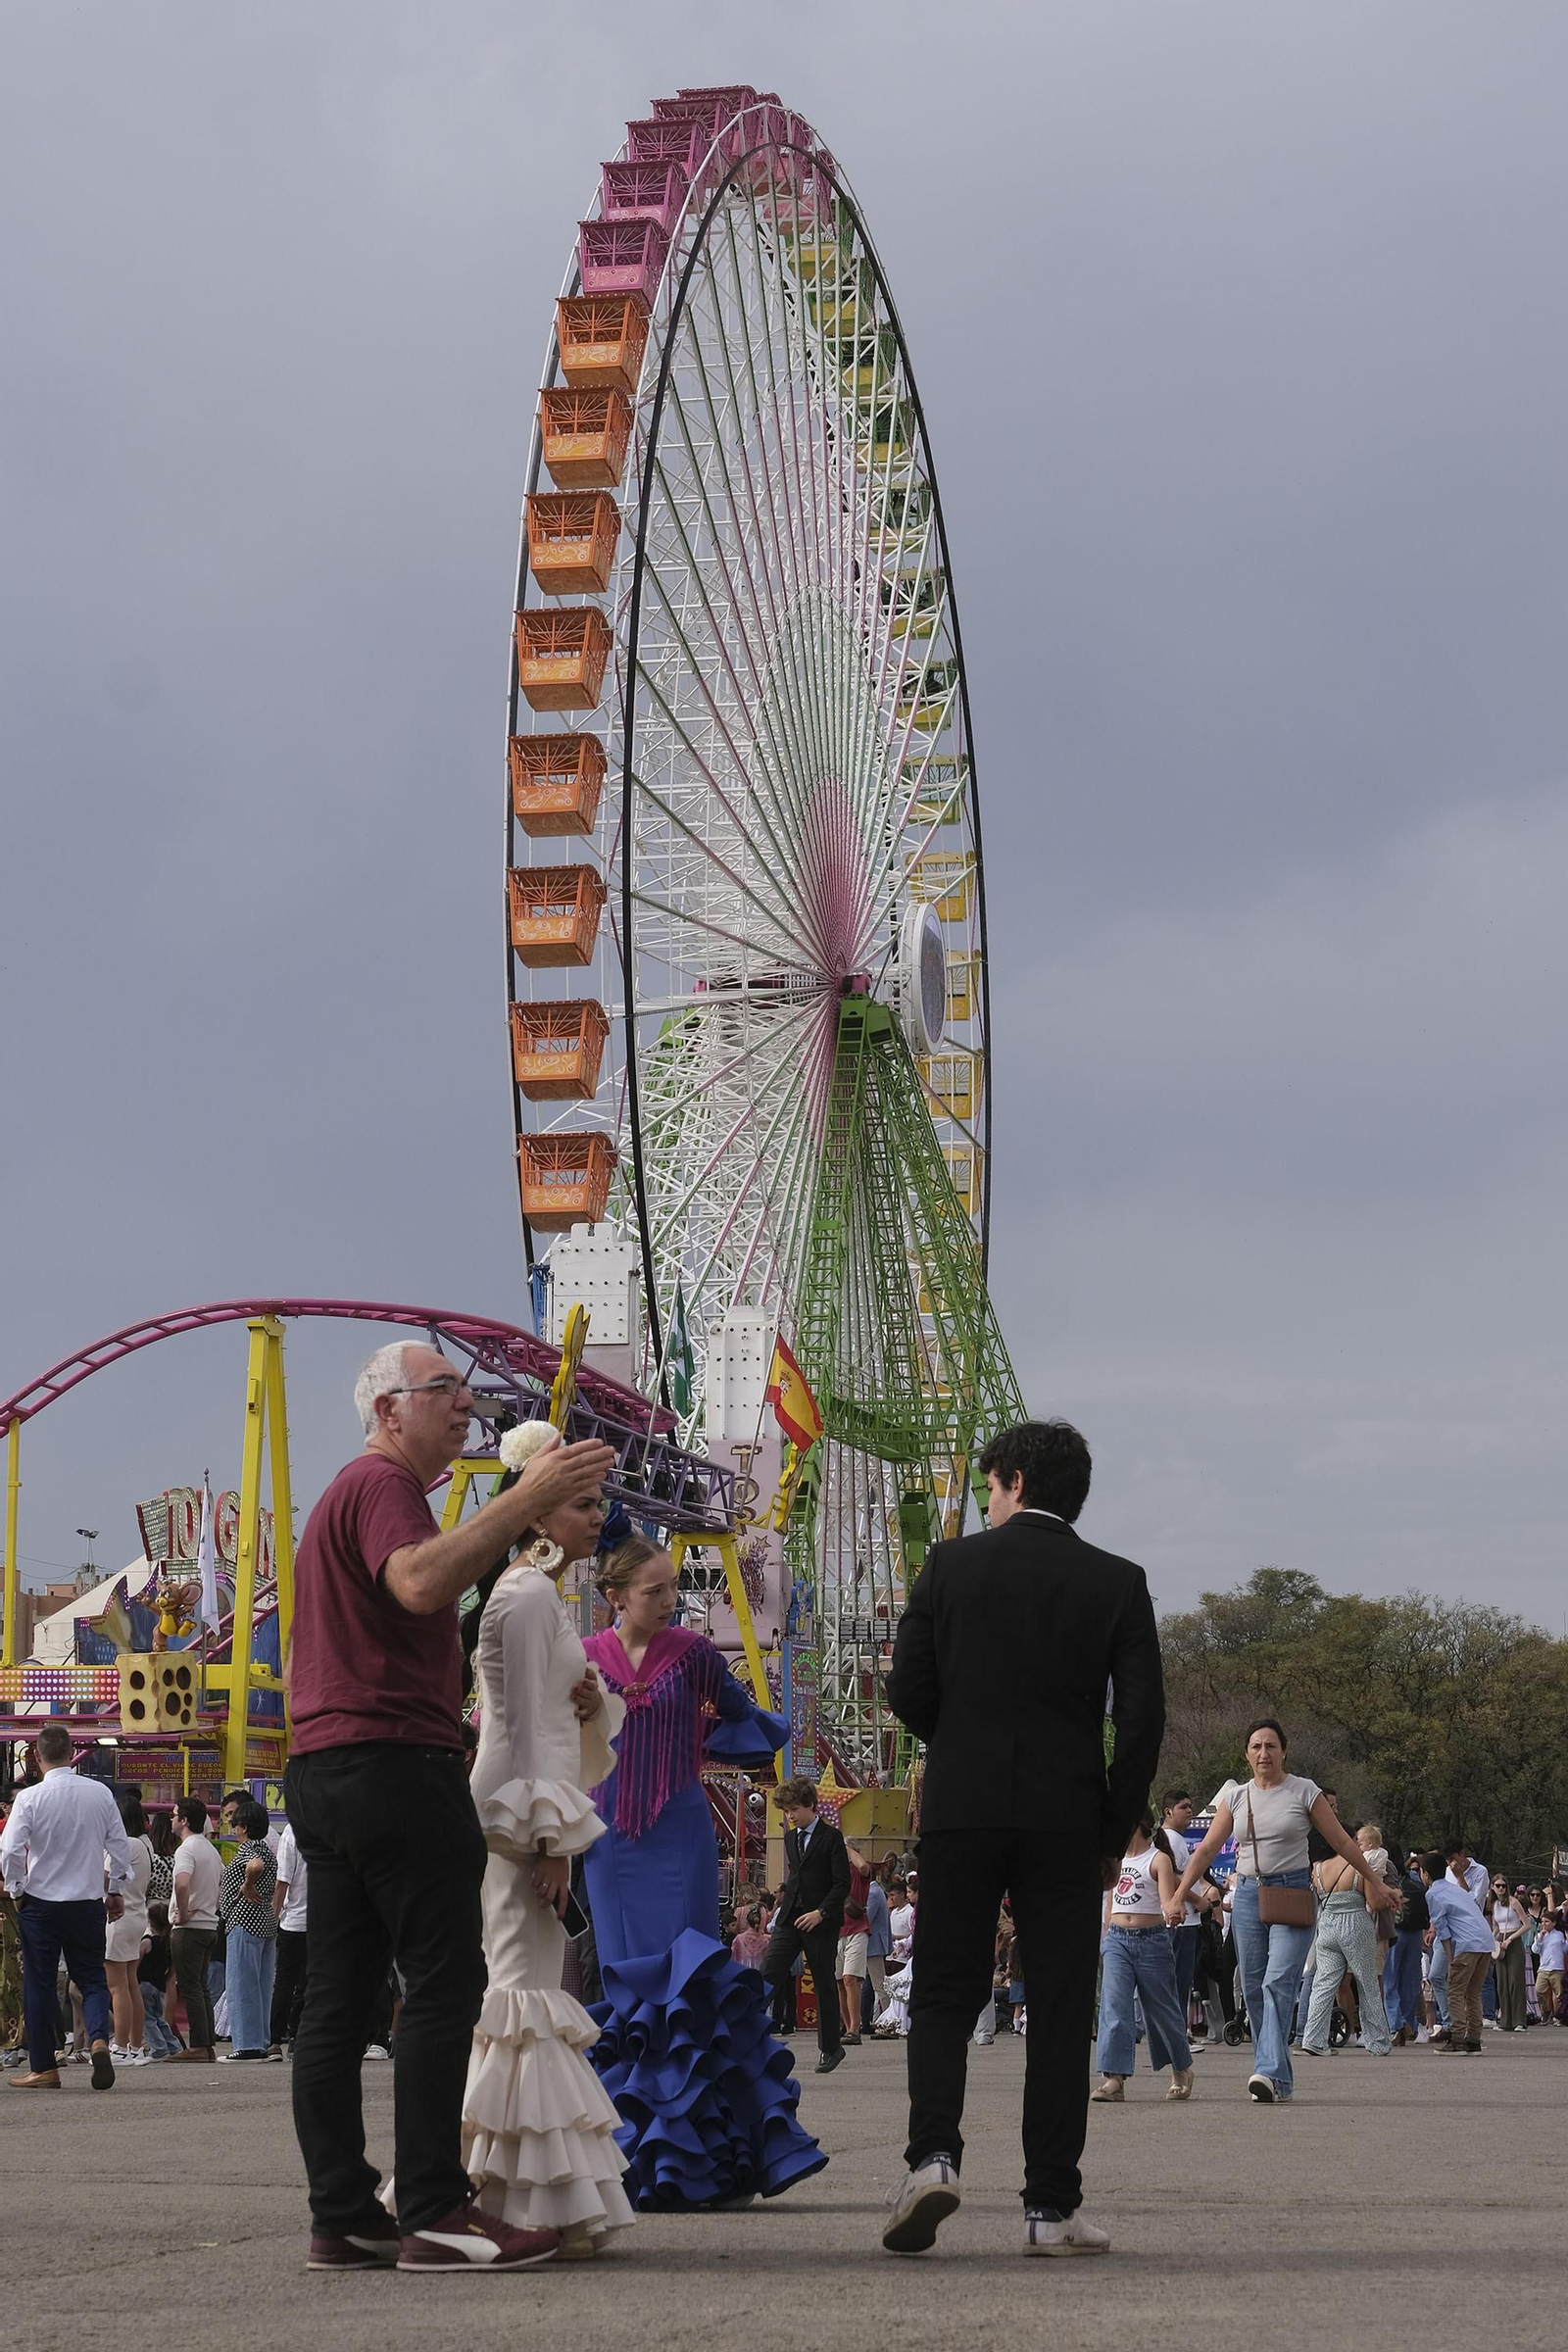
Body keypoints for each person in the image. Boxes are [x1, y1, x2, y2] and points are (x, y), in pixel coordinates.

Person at [284, 1339, 614, 2274]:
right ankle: (434, 2206)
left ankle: (343, 2213)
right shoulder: (385, 1488)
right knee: (442, 1985)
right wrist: (525, 1496)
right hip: (393, 1758)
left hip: (327, 1762)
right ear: (390, 1411)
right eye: (445, 1391)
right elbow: (422, 1582)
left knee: (338, 2005)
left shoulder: (363, 1494)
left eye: (466, 1390)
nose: (465, 1405)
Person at [882, 1417, 1165, 2258]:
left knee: (941, 1989)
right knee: (1060, 1998)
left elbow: (905, 1690)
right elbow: (1143, 1719)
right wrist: (1115, 1823)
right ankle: (1050, 2204)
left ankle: (933, 2156)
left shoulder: (950, 1565)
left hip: (963, 1806)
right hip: (1066, 1814)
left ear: (1007, 1480)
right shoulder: (1117, 1581)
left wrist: (964, 1738)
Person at [582, 1535, 825, 2209]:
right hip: (608, 1843)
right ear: (615, 1598)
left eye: (672, 1588)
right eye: (654, 1591)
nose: (670, 1601)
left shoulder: (694, 1655)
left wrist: (702, 1737)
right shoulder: (580, 1658)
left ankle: (705, 2162)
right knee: (627, 1991)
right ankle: (633, 2162)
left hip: (681, 1833)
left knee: (687, 1987)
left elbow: (746, 1718)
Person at [458, 1422, 632, 2258]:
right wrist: (552, 1839)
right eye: (581, 1502)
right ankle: (519, 2201)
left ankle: (515, 2193)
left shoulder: (533, 1592)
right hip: (517, 1825)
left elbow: (545, 1721)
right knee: (524, 1999)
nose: (597, 1517)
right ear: (535, 1508)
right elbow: (525, 1733)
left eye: (599, 1502)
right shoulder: (528, 1596)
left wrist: (594, 1704)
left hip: (515, 1817)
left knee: (524, 2001)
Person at [1167, 1721, 1396, 2103]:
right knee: (1254, 1988)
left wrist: (1377, 1881)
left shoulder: (1304, 1790)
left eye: (1271, 1745)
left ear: (1283, 1751)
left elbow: (1340, 1839)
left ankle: (1266, 2070)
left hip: (1291, 1893)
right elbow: (1206, 1850)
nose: (1263, 1753)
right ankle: (1278, 2079)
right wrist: (1177, 1895)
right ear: (1246, 1753)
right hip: (1248, 1896)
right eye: (1256, 1746)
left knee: (1277, 1982)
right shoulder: (1237, 1797)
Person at [0, 1724, 133, 2090]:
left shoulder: (29, 1799)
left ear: (38, 1757)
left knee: (40, 1985)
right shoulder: (100, 1794)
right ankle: (99, 2039)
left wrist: (16, 1889)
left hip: (41, 1904)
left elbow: (10, 1849)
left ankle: (44, 2067)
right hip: (88, 1901)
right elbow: (119, 1847)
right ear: (72, 1752)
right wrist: (116, 1889)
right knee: (91, 1979)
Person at [1092, 1816, 1194, 2103]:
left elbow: (1166, 1900)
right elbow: (1111, 1904)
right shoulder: (1116, 1861)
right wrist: (1107, 1935)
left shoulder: (1158, 1858)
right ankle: (1113, 2078)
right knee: (1114, 2007)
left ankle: (1181, 2069)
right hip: (1117, 1941)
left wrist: (1174, 1910)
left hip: (1152, 1940)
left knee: (1162, 2011)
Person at [768, 1779, 852, 2075]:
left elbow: (842, 1884)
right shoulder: (791, 1838)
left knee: (824, 1984)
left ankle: (831, 2048)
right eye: (786, 1811)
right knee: (768, 1973)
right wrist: (780, 1913)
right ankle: (749, 2036)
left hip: (821, 1922)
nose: (790, 1816)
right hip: (791, 1918)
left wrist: (821, 1913)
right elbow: (796, 1878)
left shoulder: (831, 1838)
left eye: (794, 1809)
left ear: (810, 1805)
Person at [1298, 1827, 1393, 2058]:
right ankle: (1377, 2040)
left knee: (1323, 1983)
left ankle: (1313, 2039)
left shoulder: (1319, 1868)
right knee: (1366, 1982)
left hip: (1328, 1924)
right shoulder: (1359, 1866)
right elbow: (1374, 1901)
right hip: (1355, 1923)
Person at [219, 1796, 279, 2062]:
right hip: (265, 1920)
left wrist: (247, 1885)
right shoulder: (266, 1847)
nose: (232, 1826)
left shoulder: (249, 1850)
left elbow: (254, 1866)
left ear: (243, 1826)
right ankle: (261, 2041)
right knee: (262, 1985)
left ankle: (247, 2044)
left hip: (244, 1920)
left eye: (235, 1823)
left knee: (241, 1985)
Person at [166, 1796, 222, 2064]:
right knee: (201, 1987)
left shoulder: (186, 1850)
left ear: (185, 1820)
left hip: (189, 1927)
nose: (172, 1818)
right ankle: (206, 2042)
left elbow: (182, 1883)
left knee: (189, 1986)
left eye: (175, 1814)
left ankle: (199, 2045)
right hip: (209, 1924)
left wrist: (184, 1912)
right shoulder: (210, 1850)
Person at [1417, 1851, 1491, 2051]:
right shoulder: (1456, 1889)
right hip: (1485, 1941)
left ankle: (1458, 2038)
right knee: (1473, 1992)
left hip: (1466, 1944)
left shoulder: (1433, 1893)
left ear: (1425, 1874)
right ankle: (1474, 2039)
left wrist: (1450, 1959)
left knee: (1455, 1991)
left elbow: (1442, 1929)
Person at [105, 1790, 156, 2065]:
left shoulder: (123, 1845)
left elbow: (104, 1878)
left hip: (118, 1919)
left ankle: (120, 2046)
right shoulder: (143, 1846)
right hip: (137, 1916)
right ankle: (136, 2044)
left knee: (116, 1986)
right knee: (130, 1983)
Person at [270, 1820, 309, 2054]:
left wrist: (273, 1917)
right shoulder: (328, 1826)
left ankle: (275, 2040)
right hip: (321, 1921)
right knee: (308, 1982)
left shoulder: (292, 1832)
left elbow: (282, 1881)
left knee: (284, 1981)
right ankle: (298, 2036)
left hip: (293, 1920)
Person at [137, 1901, 183, 2057]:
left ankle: (158, 2048)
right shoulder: (170, 1944)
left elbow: (136, 1962)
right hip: (160, 1986)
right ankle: (174, 2046)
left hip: (144, 1984)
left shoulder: (147, 1942)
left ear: (150, 1921)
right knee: (159, 2019)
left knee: (147, 2019)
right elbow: (172, 1970)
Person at [1489, 1880, 1529, 2032]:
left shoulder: (1514, 1902)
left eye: (1503, 1886)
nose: (1500, 1888)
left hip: (1514, 1939)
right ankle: (1505, 2021)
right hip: (1501, 1941)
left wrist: (1511, 1939)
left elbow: (1526, 1924)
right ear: (1492, 1887)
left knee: (1515, 1981)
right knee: (1502, 1983)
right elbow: (1496, 1926)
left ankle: (1519, 2021)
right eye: (1497, 1886)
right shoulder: (1494, 1905)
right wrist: (1492, 1940)